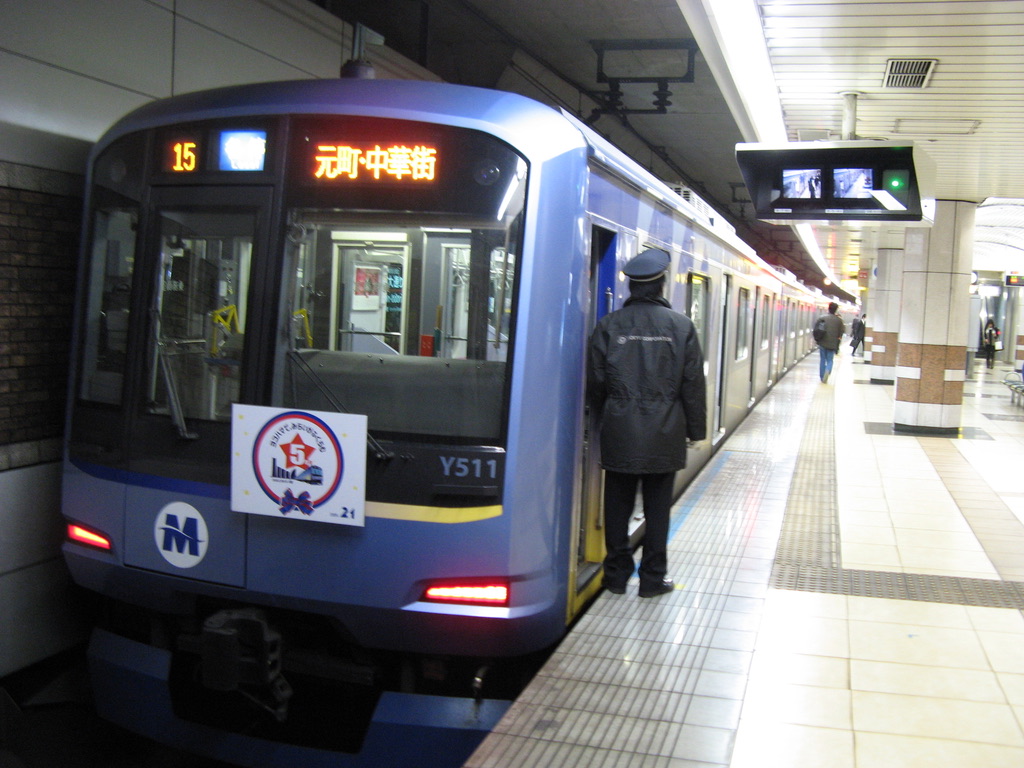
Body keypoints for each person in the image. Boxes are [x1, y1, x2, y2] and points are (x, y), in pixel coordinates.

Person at [588, 249, 707, 598]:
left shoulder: (608, 326)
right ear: (661, 284)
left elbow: (595, 382)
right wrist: (696, 431)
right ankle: (653, 579)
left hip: (620, 429)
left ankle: (616, 576)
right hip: (665, 432)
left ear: (631, 288)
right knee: (657, 510)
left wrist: (607, 413)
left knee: (617, 506)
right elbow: (692, 384)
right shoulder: (681, 326)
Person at [815, 301, 845, 383]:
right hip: (832, 343)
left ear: (828, 308)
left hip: (822, 342)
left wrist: (817, 340)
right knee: (830, 360)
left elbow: (816, 330)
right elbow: (841, 332)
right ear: (836, 310)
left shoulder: (822, 318)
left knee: (822, 359)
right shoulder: (839, 321)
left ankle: (822, 377)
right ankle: (828, 370)